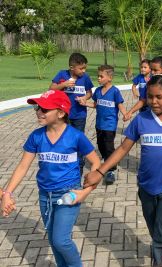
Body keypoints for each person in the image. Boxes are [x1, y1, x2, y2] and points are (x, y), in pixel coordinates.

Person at [83, 74, 162, 267]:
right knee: (157, 231)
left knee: (161, 240)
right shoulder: (141, 120)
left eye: (159, 97)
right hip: (146, 188)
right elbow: (122, 149)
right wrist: (100, 171)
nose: (153, 101)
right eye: (150, 96)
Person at [1, 90, 101, 267]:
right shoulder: (36, 136)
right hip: (44, 196)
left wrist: (85, 192)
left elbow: (95, 164)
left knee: (61, 240)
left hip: (69, 194)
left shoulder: (76, 136)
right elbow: (23, 166)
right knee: (54, 240)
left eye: (44, 109)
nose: (39, 112)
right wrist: (7, 193)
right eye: (38, 108)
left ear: (61, 113)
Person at [79, 65, 128, 184]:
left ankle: (111, 170)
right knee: (100, 145)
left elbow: (120, 104)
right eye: (98, 76)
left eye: (101, 76)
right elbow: (96, 105)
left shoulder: (115, 91)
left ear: (110, 78)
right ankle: (106, 161)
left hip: (110, 125)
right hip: (99, 124)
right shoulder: (97, 91)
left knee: (109, 147)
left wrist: (125, 114)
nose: (99, 78)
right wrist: (85, 103)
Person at [49, 52, 94, 176]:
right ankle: (65, 165)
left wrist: (85, 98)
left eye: (85, 68)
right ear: (72, 67)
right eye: (81, 68)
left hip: (80, 115)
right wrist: (63, 85)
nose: (83, 71)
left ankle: (78, 166)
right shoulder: (62, 74)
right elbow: (51, 89)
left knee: (78, 139)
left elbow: (90, 93)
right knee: (64, 139)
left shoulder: (85, 78)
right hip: (63, 116)